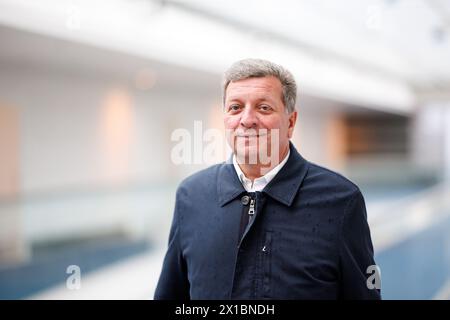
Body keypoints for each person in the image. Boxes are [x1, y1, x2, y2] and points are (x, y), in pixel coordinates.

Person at [154, 58, 381, 300]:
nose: (247, 119)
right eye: (235, 107)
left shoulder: (341, 201)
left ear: (290, 122)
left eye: (264, 108)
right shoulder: (192, 196)